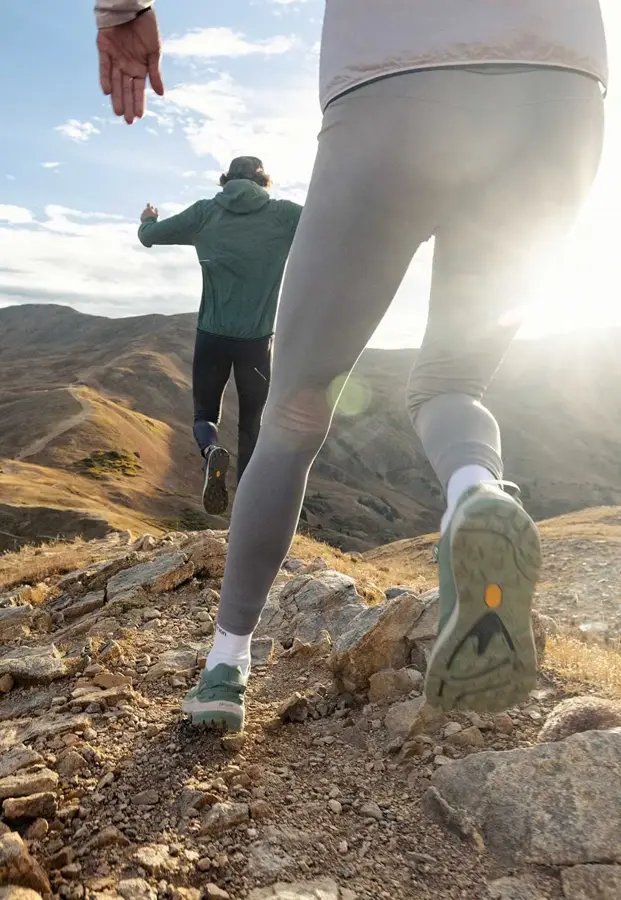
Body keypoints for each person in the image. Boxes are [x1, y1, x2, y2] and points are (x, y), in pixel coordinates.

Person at [96, 1, 607, 730]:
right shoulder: (276, 211)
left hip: (391, 86)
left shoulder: (213, 211)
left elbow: (161, 235)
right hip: (559, 98)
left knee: (292, 417)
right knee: (452, 382)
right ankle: (475, 495)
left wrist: (122, 11)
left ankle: (225, 663)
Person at [137, 158, 302, 515]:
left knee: (204, 415)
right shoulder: (286, 215)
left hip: (212, 335)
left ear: (226, 179)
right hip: (257, 341)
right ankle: (249, 502)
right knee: (252, 423)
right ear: (263, 181)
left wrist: (148, 217)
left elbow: (149, 237)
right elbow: (334, 224)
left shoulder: (204, 213)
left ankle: (211, 451)